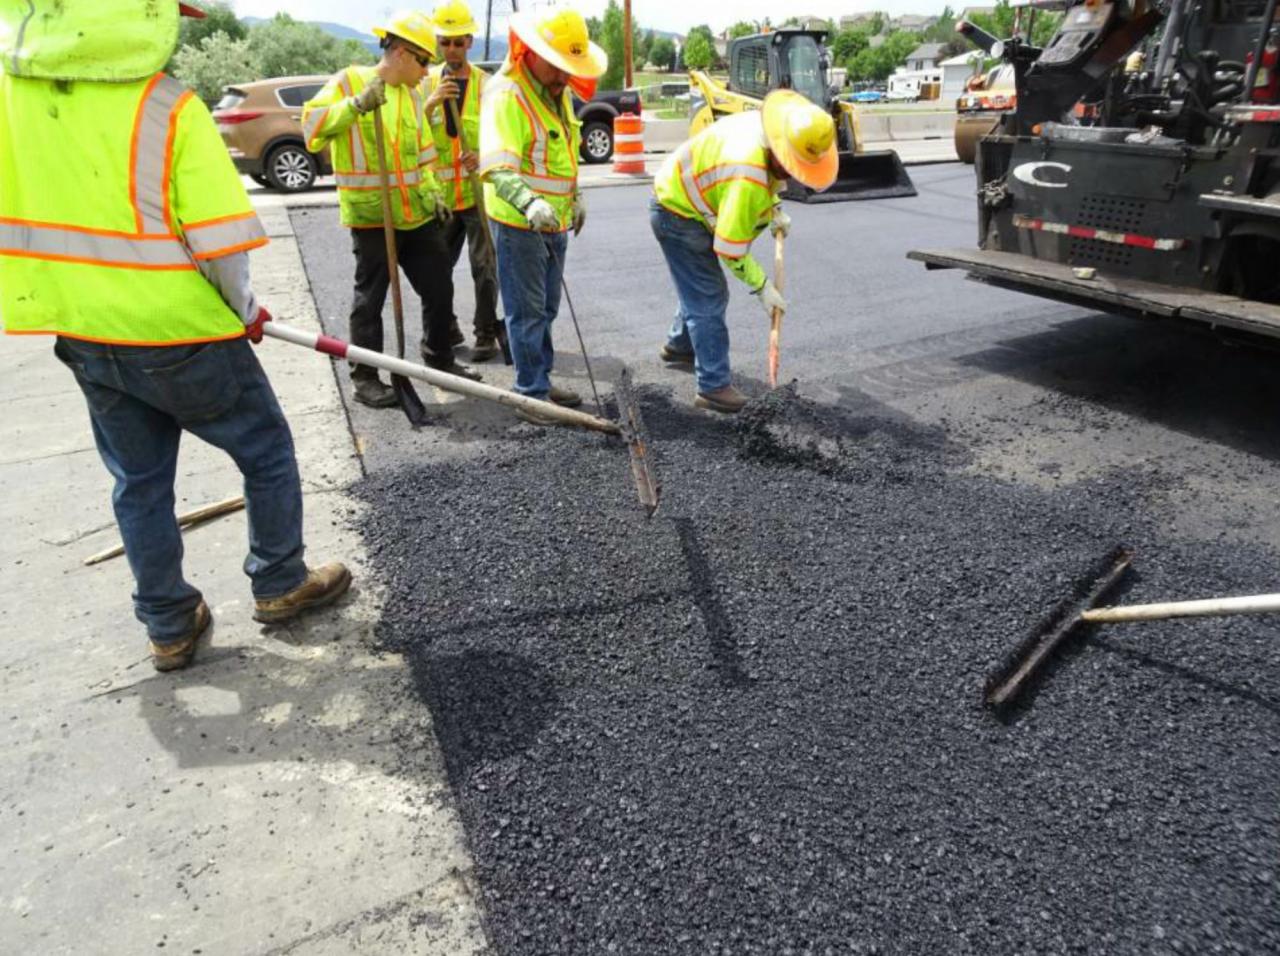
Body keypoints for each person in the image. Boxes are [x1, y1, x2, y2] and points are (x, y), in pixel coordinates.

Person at [0, 1, 350, 672]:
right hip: (180, 330)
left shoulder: (13, 100)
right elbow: (219, 243)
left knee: (139, 481)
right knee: (266, 451)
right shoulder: (165, 106)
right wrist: (244, 309)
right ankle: (280, 582)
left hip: (84, 330)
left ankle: (168, 624)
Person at [302, 9, 481, 410]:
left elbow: (423, 153)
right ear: (401, 53)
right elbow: (311, 130)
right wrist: (356, 106)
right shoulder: (349, 81)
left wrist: (434, 193)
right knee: (370, 299)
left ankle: (439, 358)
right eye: (423, 61)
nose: (427, 71)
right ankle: (365, 378)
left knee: (439, 286)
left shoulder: (412, 96)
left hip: (415, 215)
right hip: (372, 217)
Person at [649, 90, 838, 413]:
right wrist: (762, 287)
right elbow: (730, 249)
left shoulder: (768, 129)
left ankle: (679, 345)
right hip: (678, 211)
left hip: (690, 193)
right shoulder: (747, 171)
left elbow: (762, 182)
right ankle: (712, 387)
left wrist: (774, 208)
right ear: (780, 147)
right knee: (709, 294)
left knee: (697, 286)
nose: (793, 173)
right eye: (791, 164)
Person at [478, 7, 606, 425]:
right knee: (527, 312)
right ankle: (530, 394)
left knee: (547, 309)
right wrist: (530, 203)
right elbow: (497, 166)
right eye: (557, 65)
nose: (565, 75)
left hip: (555, 221)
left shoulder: (556, 91)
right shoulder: (507, 94)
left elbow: (561, 153)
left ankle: (541, 380)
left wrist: (576, 195)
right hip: (520, 224)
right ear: (532, 52)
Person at [424, 0, 503, 362]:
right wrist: (430, 103)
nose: (452, 49)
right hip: (441, 198)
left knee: (485, 268)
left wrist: (482, 156)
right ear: (438, 43)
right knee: (435, 272)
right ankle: (446, 328)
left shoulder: (488, 86)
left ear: (470, 41)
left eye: (459, 42)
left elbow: (501, 135)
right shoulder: (425, 83)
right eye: (446, 42)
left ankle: (485, 333)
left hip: (476, 194)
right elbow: (410, 134)